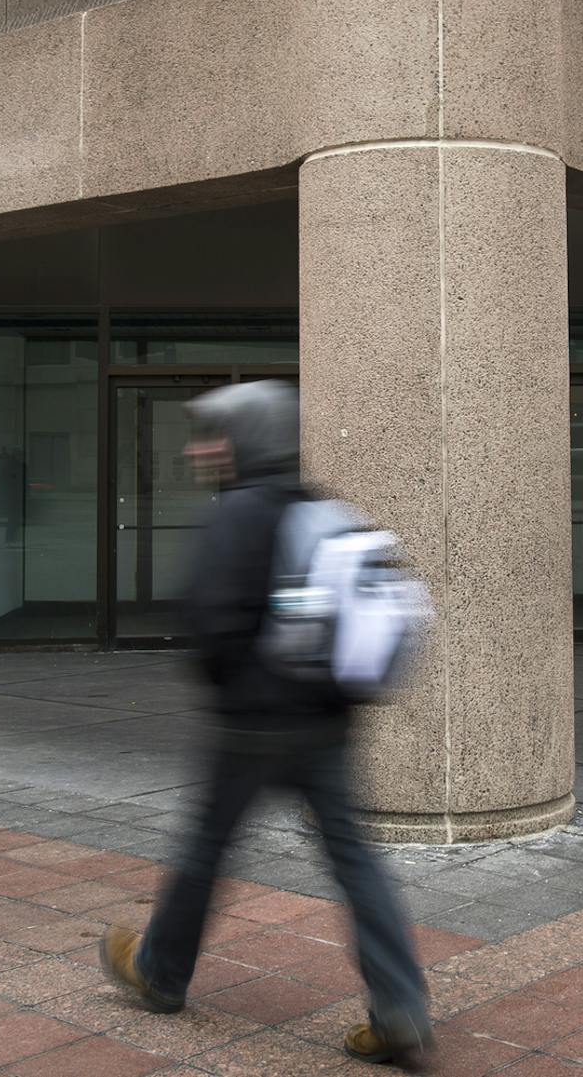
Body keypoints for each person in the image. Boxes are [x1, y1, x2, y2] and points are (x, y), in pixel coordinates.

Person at [98, 381, 433, 1068]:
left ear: (244, 440)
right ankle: (400, 1007)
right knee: (356, 863)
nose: (200, 449)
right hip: (327, 723)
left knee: (205, 849)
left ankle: (160, 971)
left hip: (251, 725)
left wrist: (228, 683)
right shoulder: (321, 509)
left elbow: (207, 624)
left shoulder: (240, 512)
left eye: (212, 436)